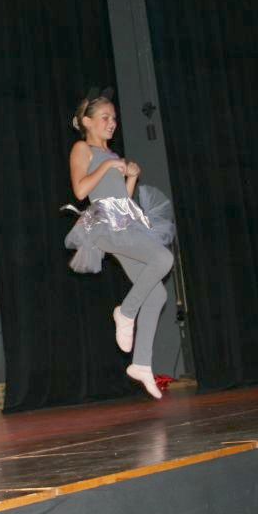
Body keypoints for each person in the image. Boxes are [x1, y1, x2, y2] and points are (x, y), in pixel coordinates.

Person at [64, 88, 173, 399]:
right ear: (87, 121)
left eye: (114, 118)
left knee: (158, 294)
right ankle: (125, 312)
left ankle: (141, 364)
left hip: (124, 223)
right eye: (105, 117)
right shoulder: (82, 149)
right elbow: (81, 191)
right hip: (103, 225)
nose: (112, 122)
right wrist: (107, 167)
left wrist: (131, 177)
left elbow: (122, 199)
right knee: (163, 259)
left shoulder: (113, 156)